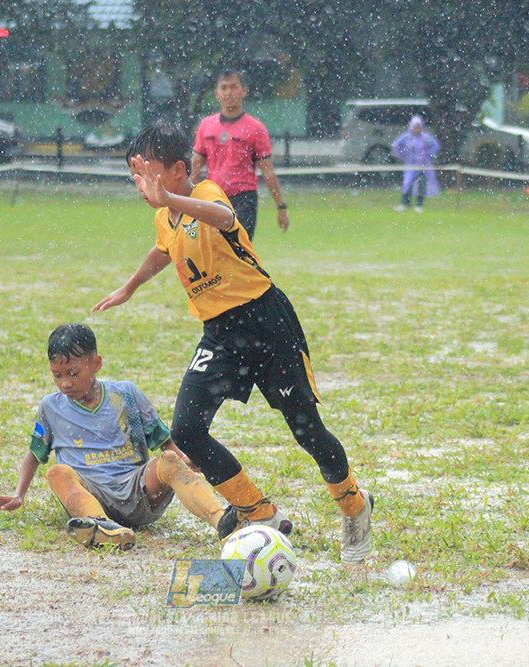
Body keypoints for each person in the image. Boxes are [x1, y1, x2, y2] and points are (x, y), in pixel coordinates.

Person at [93, 122, 374, 565]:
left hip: (265, 322)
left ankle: (355, 507)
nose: (140, 183)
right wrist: (130, 287)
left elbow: (226, 219)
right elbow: (163, 249)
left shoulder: (206, 194)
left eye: (147, 172)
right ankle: (261, 514)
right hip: (220, 335)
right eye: (135, 174)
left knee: (307, 431)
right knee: (185, 430)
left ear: (180, 170)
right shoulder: (164, 215)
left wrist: (171, 200)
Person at [0, 323, 227, 551]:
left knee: (170, 460)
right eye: (57, 375)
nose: (65, 383)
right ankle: (102, 527)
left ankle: (224, 523)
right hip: (90, 494)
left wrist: (184, 464)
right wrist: (18, 495)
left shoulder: (126, 394)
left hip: (138, 492)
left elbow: (164, 443)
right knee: (57, 472)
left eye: (73, 373)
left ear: (96, 364)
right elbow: (34, 455)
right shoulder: (50, 407)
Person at [191, 69, 289, 240]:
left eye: (234, 87)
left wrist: (281, 206)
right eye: (224, 88)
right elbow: (195, 166)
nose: (229, 93)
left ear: (244, 91)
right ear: (217, 93)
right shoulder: (206, 126)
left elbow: (267, 171)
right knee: (211, 250)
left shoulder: (255, 129)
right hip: (213, 198)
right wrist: (188, 201)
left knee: (239, 251)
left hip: (243, 199)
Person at [390, 115, 439, 213]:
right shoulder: (406, 138)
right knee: (407, 184)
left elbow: (435, 146)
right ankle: (405, 203)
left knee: (421, 184)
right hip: (410, 166)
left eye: (418, 127)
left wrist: (428, 154)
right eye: (415, 127)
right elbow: (396, 146)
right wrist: (403, 155)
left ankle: (419, 204)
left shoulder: (425, 138)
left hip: (423, 166)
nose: (417, 129)